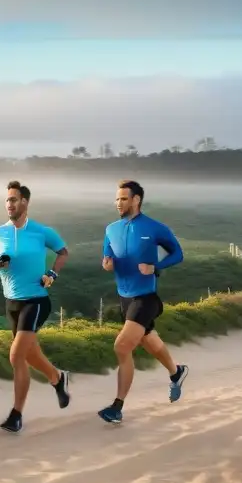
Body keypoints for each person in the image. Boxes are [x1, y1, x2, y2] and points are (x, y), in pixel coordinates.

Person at [0, 180, 71, 433]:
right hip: (12, 302)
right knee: (30, 355)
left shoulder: (41, 232)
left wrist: (52, 273)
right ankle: (57, 378)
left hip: (36, 300)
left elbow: (64, 252)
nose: (9, 204)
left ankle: (16, 414)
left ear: (25, 202)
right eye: (7, 200)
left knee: (16, 355)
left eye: (13, 199)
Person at [98, 179, 189, 424]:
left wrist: (155, 267)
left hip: (146, 297)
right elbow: (107, 257)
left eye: (123, 199)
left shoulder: (154, 227)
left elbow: (178, 253)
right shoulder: (110, 229)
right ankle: (176, 372)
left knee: (122, 346)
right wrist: (107, 264)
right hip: (124, 298)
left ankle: (117, 407)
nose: (118, 203)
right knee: (150, 342)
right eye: (116, 199)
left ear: (136, 200)